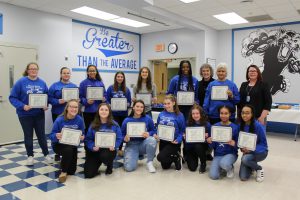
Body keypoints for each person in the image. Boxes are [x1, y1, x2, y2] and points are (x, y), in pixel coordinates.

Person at [9, 62, 52, 165]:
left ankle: (46, 155)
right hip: (25, 114)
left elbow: (47, 96)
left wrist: (46, 104)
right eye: (31, 69)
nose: (33, 71)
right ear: (27, 70)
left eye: (35, 69)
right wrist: (23, 106)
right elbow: (12, 98)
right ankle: (30, 156)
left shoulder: (42, 82)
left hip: (39, 114)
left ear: (38, 70)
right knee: (28, 135)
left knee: (41, 135)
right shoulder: (20, 82)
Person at [49, 100, 85, 183]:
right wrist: (56, 136)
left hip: (72, 145)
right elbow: (51, 135)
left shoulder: (79, 120)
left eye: (76, 107)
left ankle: (66, 163)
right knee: (67, 150)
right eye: (71, 106)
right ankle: (63, 172)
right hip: (59, 145)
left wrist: (82, 137)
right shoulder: (59, 119)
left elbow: (83, 133)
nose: (73, 109)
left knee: (72, 171)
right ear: (67, 108)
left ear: (78, 109)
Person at [84, 103, 122, 178]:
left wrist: (114, 145)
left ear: (109, 112)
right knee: (88, 174)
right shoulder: (93, 125)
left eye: (106, 110)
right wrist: (92, 146)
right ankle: (97, 161)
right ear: (98, 111)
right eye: (101, 109)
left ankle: (109, 164)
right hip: (96, 150)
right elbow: (88, 139)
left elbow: (119, 138)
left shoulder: (115, 125)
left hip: (108, 150)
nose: (104, 112)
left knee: (105, 156)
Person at [49, 67, 78, 161]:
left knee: (70, 132)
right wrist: (58, 101)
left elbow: (78, 100)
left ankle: (70, 151)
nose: (66, 75)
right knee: (58, 133)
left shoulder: (74, 86)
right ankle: (58, 152)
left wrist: (78, 101)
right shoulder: (54, 86)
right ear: (61, 74)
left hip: (71, 115)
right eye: (64, 73)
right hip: (58, 113)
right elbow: (49, 99)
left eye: (68, 73)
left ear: (70, 75)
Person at [121, 100, 157, 173]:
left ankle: (149, 162)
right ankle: (134, 155)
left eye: (141, 107)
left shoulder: (147, 118)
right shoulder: (127, 120)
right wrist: (125, 138)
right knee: (129, 168)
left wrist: (148, 134)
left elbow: (154, 130)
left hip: (143, 143)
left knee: (152, 140)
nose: (139, 108)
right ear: (133, 107)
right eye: (137, 106)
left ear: (143, 109)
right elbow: (121, 135)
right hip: (131, 145)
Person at [207, 105, 239, 180]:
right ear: (219, 114)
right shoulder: (215, 127)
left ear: (230, 114)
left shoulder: (235, 127)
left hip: (230, 154)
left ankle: (230, 167)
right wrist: (209, 141)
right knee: (213, 176)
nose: (223, 115)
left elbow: (239, 145)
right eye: (221, 113)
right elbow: (212, 146)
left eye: (226, 113)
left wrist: (235, 144)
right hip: (218, 154)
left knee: (224, 163)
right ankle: (222, 166)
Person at [239, 105, 268, 182]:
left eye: (247, 113)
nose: (244, 115)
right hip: (247, 152)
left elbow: (264, 145)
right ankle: (251, 165)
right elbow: (239, 141)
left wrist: (251, 150)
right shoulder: (240, 125)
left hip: (260, 152)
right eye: (243, 113)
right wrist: (242, 148)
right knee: (243, 177)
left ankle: (259, 169)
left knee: (245, 159)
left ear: (252, 114)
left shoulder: (258, 126)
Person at [155, 95, 185, 170]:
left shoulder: (180, 115)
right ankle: (174, 157)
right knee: (165, 166)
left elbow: (182, 131)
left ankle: (177, 156)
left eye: (168, 103)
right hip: (163, 142)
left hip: (173, 142)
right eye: (165, 104)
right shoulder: (161, 114)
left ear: (174, 103)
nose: (166, 106)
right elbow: (158, 127)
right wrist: (156, 134)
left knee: (159, 157)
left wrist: (178, 140)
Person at [106, 71, 131, 156]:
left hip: (123, 114)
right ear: (115, 78)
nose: (120, 78)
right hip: (113, 114)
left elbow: (129, 102)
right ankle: (111, 147)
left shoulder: (126, 89)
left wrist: (127, 104)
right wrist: (109, 104)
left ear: (123, 78)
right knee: (113, 130)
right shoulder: (110, 88)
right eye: (118, 76)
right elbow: (107, 100)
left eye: (121, 77)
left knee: (121, 131)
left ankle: (120, 149)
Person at [79, 65, 107, 134]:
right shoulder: (83, 83)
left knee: (98, 130)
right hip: (88, 111)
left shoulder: (100, 83)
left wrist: (104, 99)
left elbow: (105, 95)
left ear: (96, 72)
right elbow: (80, 97)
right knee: (88, 130)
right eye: (90, 71)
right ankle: (88, 145)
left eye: (93, 70)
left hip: (99, 112)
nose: (92, 72)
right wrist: (86, 101)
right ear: (87, 72)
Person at [184, 104, 211, 173]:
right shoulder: (188, 123)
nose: (195, 115)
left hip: (202, 146)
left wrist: (207, 137)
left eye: (197, 113)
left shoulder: (207, 124)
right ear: (191, 114)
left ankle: (203, 162)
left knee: (198, 146)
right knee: (192, 168)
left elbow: (211, 139)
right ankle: (189, 157)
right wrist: (184, 136)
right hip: (190, 147)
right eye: (193, 114)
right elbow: (184, 137)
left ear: (201, 114)